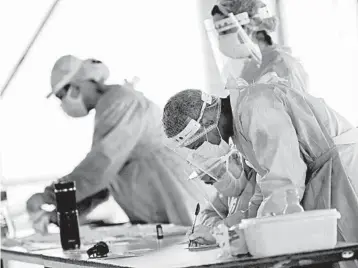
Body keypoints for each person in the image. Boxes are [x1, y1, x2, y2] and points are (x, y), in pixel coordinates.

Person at [161, 74, 358, 259]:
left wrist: (244, 238)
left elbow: (284, 187)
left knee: (346, 250)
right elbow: (262, 196)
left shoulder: (256, 108)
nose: (207, 149)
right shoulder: (241, 128)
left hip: (342, 172)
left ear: (206, 121)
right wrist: (222, 231)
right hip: (325, 174)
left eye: (198, 144)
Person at [26, 55, 205, 234]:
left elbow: (100, 166)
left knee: (196, 247)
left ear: (76, 85)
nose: (63, 104)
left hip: (178, 197)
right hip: (159, 211)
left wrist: (51, 195)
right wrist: (59, 214)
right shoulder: (109, 108)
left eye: (61, 96)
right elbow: (102, 183)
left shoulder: (121, 102)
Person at [211, 0, 309, 93]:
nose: (222, 39)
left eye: (224, 31)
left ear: (249, 25)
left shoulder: (281, 69)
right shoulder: (254, 65)